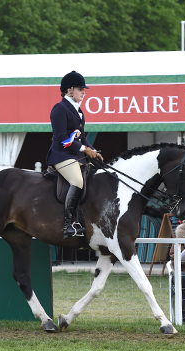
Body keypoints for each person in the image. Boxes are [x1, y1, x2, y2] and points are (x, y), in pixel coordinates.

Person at [46, 71, 103, 239]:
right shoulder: (59, 109)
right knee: (77, 181)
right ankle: (67, 224)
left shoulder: (79, 111)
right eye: (80, 89)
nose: (84, 93)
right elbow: (63, 139)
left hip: (76, 155)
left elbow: (83, 137)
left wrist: (94, 151)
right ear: (69, 90)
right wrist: (85, 150)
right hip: (61, 155)